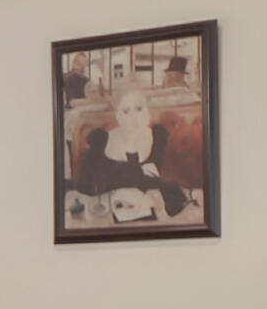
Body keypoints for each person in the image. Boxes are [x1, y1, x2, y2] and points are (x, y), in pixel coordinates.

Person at [70, 84, 187, 225]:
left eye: (139, 108)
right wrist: (137, 175)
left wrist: (154, 196)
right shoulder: (101, 140)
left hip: (154, 218)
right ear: (117, 115)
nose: (134, 117)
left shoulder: (159, 136)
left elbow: (177, 187)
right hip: (110, 218)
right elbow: (84, 186)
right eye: (126, 111)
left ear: (147, 110)